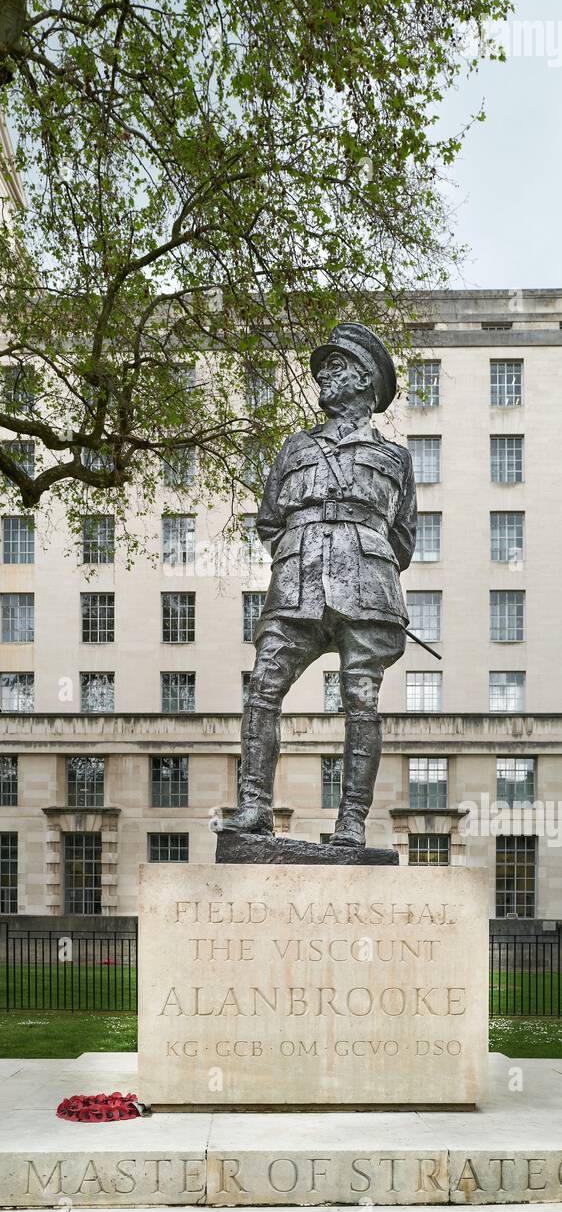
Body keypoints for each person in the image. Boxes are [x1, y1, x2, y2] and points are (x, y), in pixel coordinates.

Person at [223, 322, 417, 849]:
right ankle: (254, 807)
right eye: (321, 369)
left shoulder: (396, 458)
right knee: (263, 687)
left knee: (360, 699)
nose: (322, 377)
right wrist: (307, 543)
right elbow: (269, 521)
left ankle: (352, 821)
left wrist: (356, 544)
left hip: (368, 584)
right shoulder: (294, 448)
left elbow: (402, 539)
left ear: (364, 381)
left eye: (335, 368)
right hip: (297, 580)